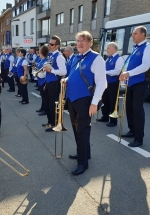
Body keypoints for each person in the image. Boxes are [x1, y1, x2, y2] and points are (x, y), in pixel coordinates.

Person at [65, 31, 106, 175]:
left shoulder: (97, 58)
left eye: (83, 41)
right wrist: (66, 80)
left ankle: (83, 163)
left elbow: (102, 83)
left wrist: (94, 103)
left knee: (82, 130)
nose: (80, 43)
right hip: (72, 99)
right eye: (78, 41)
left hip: (84, 100)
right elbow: (72, 74)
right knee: (76, 129)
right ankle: (83, 153)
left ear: (90, 43)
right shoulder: (77, 57)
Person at [119, 26, 150, 147]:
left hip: (140, 82)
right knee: (129, 108)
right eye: (133, 33)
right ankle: (132, 130)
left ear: (143, 35)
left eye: (135, 33)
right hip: (131, 82)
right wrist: (124, 73)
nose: (133, 35)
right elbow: (129, 64)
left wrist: (129, 73)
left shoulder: (147, 47)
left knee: (137, 110)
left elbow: (146, 65)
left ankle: (139, 138)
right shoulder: (134, 48)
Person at [42, 35, 67, 132]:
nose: (49, 46)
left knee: (53, 104)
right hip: (49, 82)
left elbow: (63, 72)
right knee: (48, 104)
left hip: (55, 83)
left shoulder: (59, 57)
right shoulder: (51, 55)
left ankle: (55, 124)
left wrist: (51, 71)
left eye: (52, 44)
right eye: (49, 44)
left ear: (57, 46)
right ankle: (50, 122)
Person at [97, 42, 124, 127]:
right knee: (105, 100)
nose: (107, 50)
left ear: (114, 48)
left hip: (113, 83)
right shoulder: (108, 58)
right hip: (106, 82)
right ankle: (105, 116)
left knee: (113, 101)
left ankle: (113, 120)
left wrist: (105, 72)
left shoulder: (119, 59)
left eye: (108, 48)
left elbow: (117, 71)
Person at [35, 45, 49, 116]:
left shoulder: (45, 61)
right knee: (42, 96)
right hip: (40, 80)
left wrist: (36, 74)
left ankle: (45, 110)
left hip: (43, 80)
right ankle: (42, 107)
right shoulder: (41, 60)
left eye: (40, 52)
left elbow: (44, 74)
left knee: (45, 97)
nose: (39, 54)